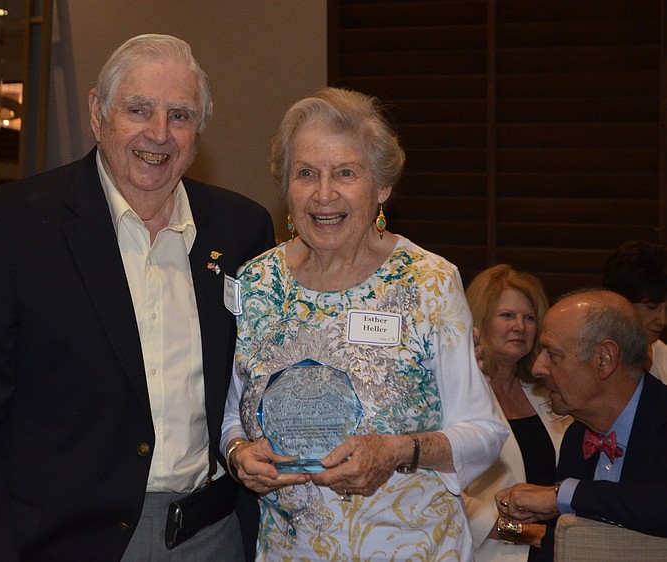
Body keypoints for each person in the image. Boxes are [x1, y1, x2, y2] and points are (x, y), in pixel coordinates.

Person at [0, 34, 275, 562]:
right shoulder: (11, 227)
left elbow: (255, 386)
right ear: (98, 112)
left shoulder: (242, 230)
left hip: (213, 535)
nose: (158, 134)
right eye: (138, 109)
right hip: (67, 541)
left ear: (199, 129)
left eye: (180, 116)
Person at [220, 87, 507, 560]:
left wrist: (396, 451)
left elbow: (484, 430)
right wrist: (238, 455)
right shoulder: (257, 282)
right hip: (287, 552)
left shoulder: (429, 281)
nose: (324, 193)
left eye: (346, 173)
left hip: (412, 548)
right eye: (306, 173)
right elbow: (233, 412)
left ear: (382, 187)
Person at [496, 289, 667, 561]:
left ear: (604, 359)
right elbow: (558, 546)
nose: (538, 367)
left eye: (553, 354)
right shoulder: (578, 435)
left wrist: (560, 495)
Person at [464, 265, 571, 561]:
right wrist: (524, 533)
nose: (520, 327)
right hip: (490, 552)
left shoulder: (547, 394)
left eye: (529, 318)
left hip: (554, 548)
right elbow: (444, 494)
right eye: (507, 316)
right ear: (480, 321)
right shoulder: (461, 396)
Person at [602, 239, 667, 383]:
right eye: (652, 307)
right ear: (620, 301)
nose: (663, 320)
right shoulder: (592, 358)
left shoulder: (663, 356)